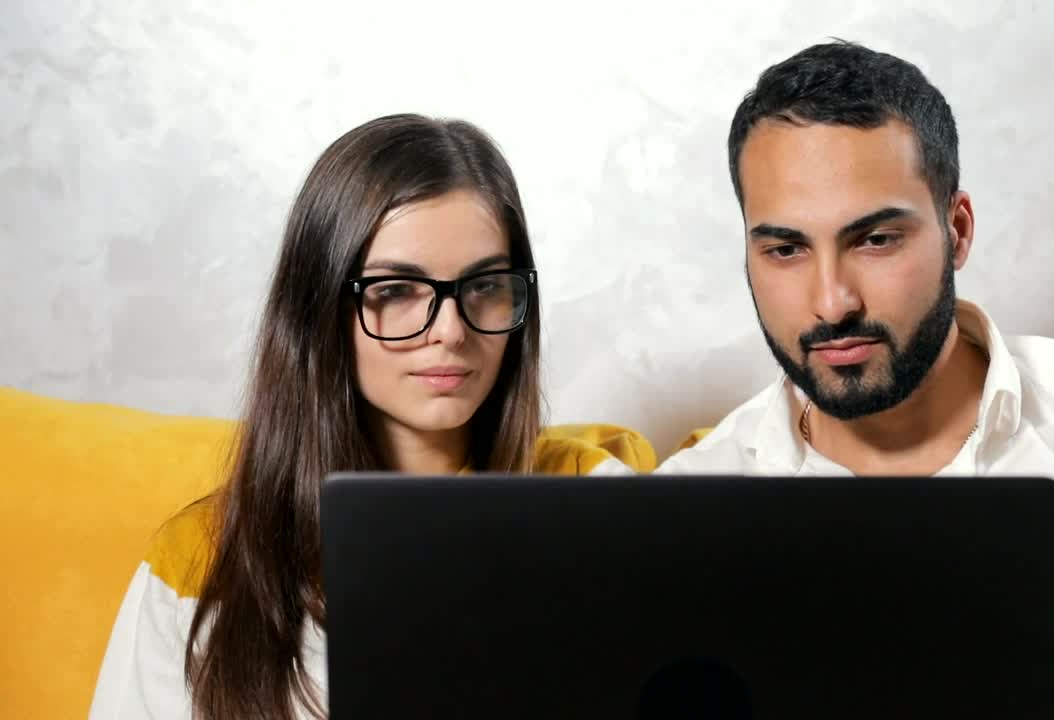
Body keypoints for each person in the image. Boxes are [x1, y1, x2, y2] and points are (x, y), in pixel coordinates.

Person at [658, 41, 1054, 718]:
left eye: (875, 240)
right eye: (785, 249)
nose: (833, 301)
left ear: (957, 231)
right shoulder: (676, 525)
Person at [89, 114, 643, 719]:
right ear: (317, 310)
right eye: (395, 291)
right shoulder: (199, 560)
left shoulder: (595, 505)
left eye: (485, 285)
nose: (451, 332)